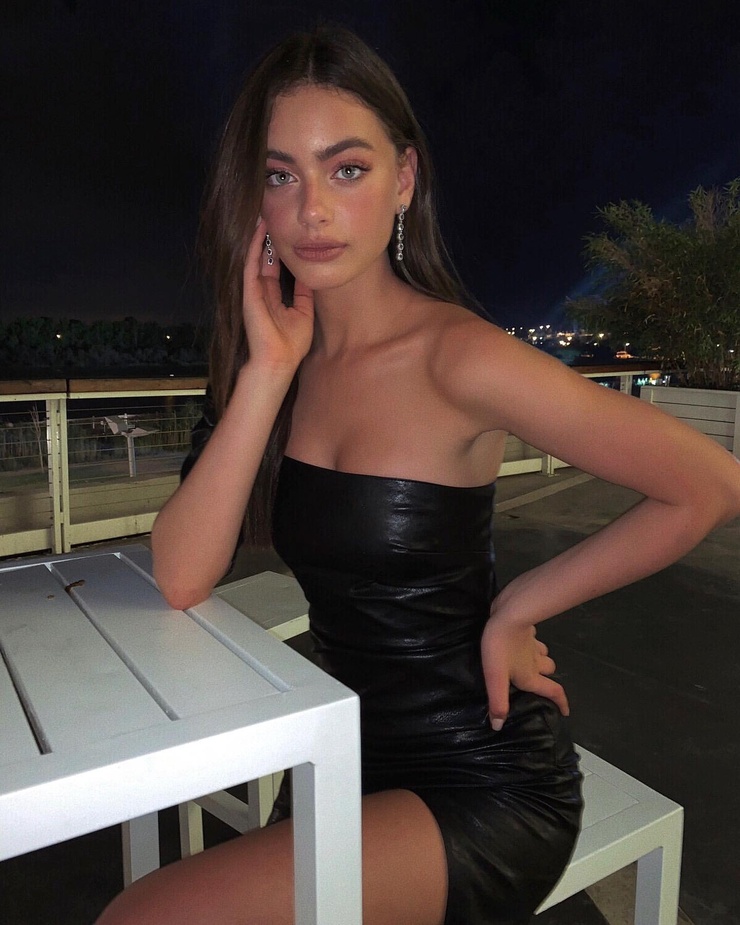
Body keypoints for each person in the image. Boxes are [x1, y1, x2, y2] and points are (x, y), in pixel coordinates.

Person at [97, 25, 740, 925]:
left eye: (346, 169)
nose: (312, 209)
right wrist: (268, 371)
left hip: (480, 775)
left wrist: (517, 606)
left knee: (146, 916)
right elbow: (180, 573)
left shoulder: (459, 358)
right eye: (281, 176)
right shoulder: (273, 360)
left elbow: (709, 482)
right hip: (340, 748)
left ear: (403, 180)